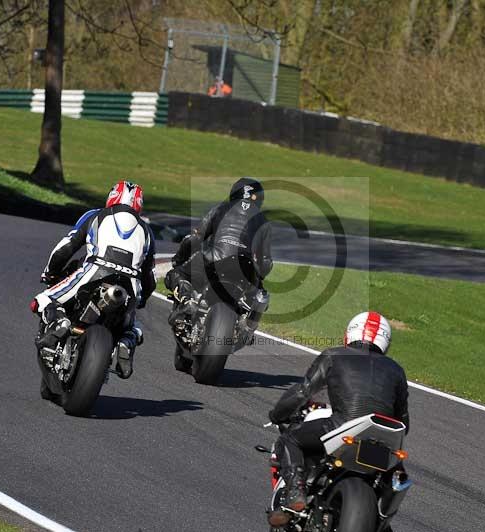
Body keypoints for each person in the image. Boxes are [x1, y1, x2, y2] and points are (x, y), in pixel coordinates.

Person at [266, 312, 410, 527]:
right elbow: (403, 421)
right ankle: (381, 521)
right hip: (384, 439)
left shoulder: (334, 355)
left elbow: (302, 392)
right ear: (385, 342)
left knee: (290, 439)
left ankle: (296, 492)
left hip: (343, 427)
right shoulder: (397, 370)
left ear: (348, 334)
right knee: (397, 477)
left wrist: (277, 414)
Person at [32, 180, 156, 379]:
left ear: (112, 196)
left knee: (43, 300)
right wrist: (141, 300)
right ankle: (126, 341)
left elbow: (66, 248)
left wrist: (49, 273)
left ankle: (61, 323)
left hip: (95, 271)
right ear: (139, 204)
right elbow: (149, 275)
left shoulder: (95, 215)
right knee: (132, 327)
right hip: (130, 284)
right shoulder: (148, 232)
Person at [164, 178, 272, 314]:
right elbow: (266, 262)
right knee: (261, 297)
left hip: (214, 259)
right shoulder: (264, 221)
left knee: (176, 274)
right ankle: (247, 326)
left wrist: (179, 259)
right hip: (246, 268)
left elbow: (195, 238)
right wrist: (258, 277)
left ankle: (187, 300)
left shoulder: (220, 208)